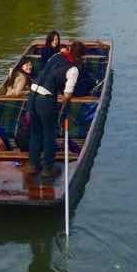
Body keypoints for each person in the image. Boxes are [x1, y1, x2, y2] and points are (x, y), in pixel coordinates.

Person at [25, 40, 85, 178]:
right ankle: (48, 169)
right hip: (45, 100)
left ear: (69, 50)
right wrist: (64, 101)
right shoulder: (73, 69)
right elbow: (67, 94)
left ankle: (33, 165)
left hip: (32, 95)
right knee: (49, 134)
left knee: (35, 132)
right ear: (81, 57)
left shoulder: (56, 56)